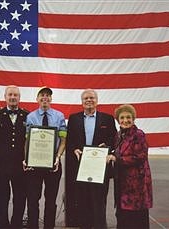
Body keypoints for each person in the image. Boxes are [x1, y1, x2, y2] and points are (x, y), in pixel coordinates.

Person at [66, 89, 117, 228]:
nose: (89, 100)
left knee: (99, 197)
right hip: (80, 164)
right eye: (86, 98)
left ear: (97, 100)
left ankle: (100, 224)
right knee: (82, 197)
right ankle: (85, 224)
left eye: (92, 98)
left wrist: (107, 146)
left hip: (99, 165)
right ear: (82, 102)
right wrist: (73, 149)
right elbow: (69, 140)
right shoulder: (73, 118)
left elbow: (114, 139)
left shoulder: (107, 118)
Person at [24, 86, 67, 229]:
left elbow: (63, 140)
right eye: (42, 95)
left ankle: (49, 226)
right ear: (37, 99)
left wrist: (58, 157)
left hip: (53, 164)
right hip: (34, 164)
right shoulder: (30, 117)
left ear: (51, 99)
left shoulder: (59, 116)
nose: (45, 98)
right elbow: (27, 140)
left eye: (48, 95)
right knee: (33, 199)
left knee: (50, 200)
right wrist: (26, 158)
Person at [107, 104, 153, 229]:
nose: (125, 120)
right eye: (122, 118)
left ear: (133, 119)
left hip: (137, 183)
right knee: (123, 215)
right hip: (121, 183)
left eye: (128, 117)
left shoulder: (138, 134)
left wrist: (117, 159)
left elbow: (140, 156)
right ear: (118, 120)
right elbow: (116, 151)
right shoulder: (118, 135)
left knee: (137, 217)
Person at [0, 86, 29, 228]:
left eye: (15, 95)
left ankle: (16, 224)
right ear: (5, 96)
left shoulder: (27, 115)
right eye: (10, 95)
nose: (13, 97)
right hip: (1, 165)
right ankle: (3, 225)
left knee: (20, 197)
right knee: (2, 198)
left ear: (19, 97)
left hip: (20, 165)